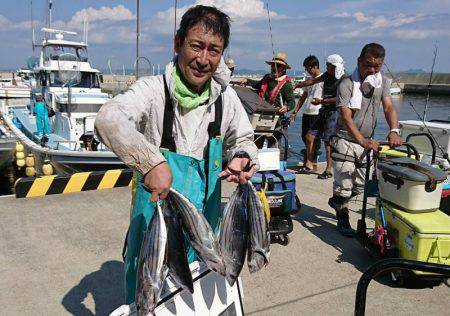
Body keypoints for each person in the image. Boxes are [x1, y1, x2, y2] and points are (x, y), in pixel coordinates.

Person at [94, 5, 258, 304]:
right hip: (153, 237)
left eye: (214, 50)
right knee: (148, 302)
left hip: (204, 239)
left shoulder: (226, 99)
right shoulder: (152, 91)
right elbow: (108, 119)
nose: (203, 59)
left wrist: (243, 157)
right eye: (196, 46)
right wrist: (150, 161)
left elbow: (245, 139)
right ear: (177, 43)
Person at [328, 43, 401, 236]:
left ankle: (337, 201)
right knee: (344, 184)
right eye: (368, 65)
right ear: (359, 61)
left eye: (377, 66)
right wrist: (362, 141)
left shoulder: (383, 82)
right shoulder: (346, 83)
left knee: (360, 186)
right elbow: (345, 116)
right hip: (345, 139)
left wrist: (394, 130)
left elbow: (388, 107)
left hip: (365, 141)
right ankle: (342, 216)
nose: (372, 70)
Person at [295, 54, 345, 179]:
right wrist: (300, 84)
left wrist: (321, 101)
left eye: (328, 65)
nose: (326, 67)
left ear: (333, 66)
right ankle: (309, 164)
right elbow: (312, 81)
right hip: (323, 110)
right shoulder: (326, 75)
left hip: (334, 112)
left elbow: (340, 99)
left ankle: (329, 169)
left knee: (328, 141)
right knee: (309, 136)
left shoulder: (343, 79)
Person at [240, 53, 295, 158]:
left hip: (277, 119)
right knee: (256, 142)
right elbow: (257, 84)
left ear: (283, 68)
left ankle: (273, 168)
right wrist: (247, 81)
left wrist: (286, 108)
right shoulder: (267, 78)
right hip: (261, 116)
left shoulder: (286, 84)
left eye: (278, 66)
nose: (274, 68)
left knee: (273, 145)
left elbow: (292, 102)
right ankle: (255, 166)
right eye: (272, 65)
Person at [290, 55, 323, 166]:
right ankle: (311, 155)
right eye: (306, 69)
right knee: (304, 136)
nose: (308, 71)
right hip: (307, 112)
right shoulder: (309, 81)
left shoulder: (323, 78)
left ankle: (311, 159)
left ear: (315, 66)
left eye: (308, 68)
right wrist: (295, 111)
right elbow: (303, 96)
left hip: (317, 112)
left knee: (313, 138)